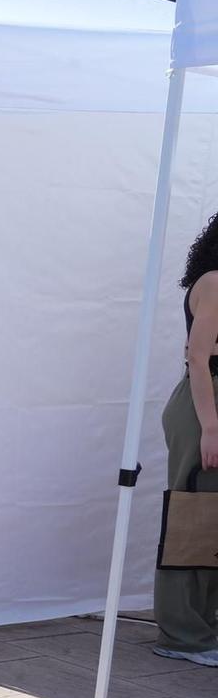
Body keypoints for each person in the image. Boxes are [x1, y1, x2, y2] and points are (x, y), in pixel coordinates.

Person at [154, 212, 218, 667]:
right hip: (204, 405)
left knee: (211, 520)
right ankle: (182, 634)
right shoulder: (215, 281)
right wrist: (211, 428)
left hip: (210, 401)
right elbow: (198, 358)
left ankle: (202, 627)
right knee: (191, 516)